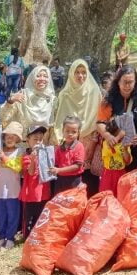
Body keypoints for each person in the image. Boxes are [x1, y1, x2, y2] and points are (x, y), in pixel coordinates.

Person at [53, 59, 102, 189]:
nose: (81, 76)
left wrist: (92, 142)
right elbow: (59, 120)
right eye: (77, 72)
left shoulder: (94, 92)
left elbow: (99, 118)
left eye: (84, 72)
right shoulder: (65, 94)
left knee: (89, 183)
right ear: (71, 74)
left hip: (90, 141)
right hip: (68, 143)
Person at [97, 65, 137, 170]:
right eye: (124, 82)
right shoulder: (109, 99)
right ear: (118, 82)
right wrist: (108, 136)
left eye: (131, 82)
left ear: (135, 82)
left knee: (136, 181)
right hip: (116, 148)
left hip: (135, 146)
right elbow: (100, 122)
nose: (127, 86)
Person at [0, 121, 24, 249]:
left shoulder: (19, 151)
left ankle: (10, 238)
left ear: (18, 139)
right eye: (7, 136)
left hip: (13, 189)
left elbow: (18, 168)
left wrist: (4, 158)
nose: (10, 138)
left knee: (12, 214)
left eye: (13, 136)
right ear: (3, 138)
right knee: (0, 215)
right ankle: (1, 237)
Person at [0, 64, 55, 139]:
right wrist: (10, 102)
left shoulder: (52, 99)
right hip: (24, 145)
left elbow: (55, 126)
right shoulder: (22, 96)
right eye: (38, 76)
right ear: (32, 78)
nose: (42, 79)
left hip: (44, 145)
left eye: (45, 76)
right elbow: (3, 119)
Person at [20, 125, 51, 239]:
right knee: (28, 216)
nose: (38, 142)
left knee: (40, 215)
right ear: (28, 141)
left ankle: (38, 235)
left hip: (43, 192)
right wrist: (33, 158)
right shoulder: (26, 156)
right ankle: (26, 236)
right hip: (30, 194)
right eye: (35, 139)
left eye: (40, 139)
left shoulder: (46, 153)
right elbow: (31, 172)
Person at [50, 116, 86, 195]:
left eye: (74, 132)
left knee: (72, 203)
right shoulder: (59, 148)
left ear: (78, 133)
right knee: (60, 202)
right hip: (60, 180)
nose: (70, 134)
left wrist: (59, 170)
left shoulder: (79, 146)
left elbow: (77, 166)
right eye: (67, 131)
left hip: (74, 180)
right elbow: (56, 164)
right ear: (63, 131)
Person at [99, 117, 132, 196]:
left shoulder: (125, 143)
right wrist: (119, 136)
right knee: (106, 196)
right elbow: (111, 145)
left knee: (121, 196)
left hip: (121, 174)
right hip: (108, 174)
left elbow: (127, 161)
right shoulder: (105, 142)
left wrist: (125, 149)